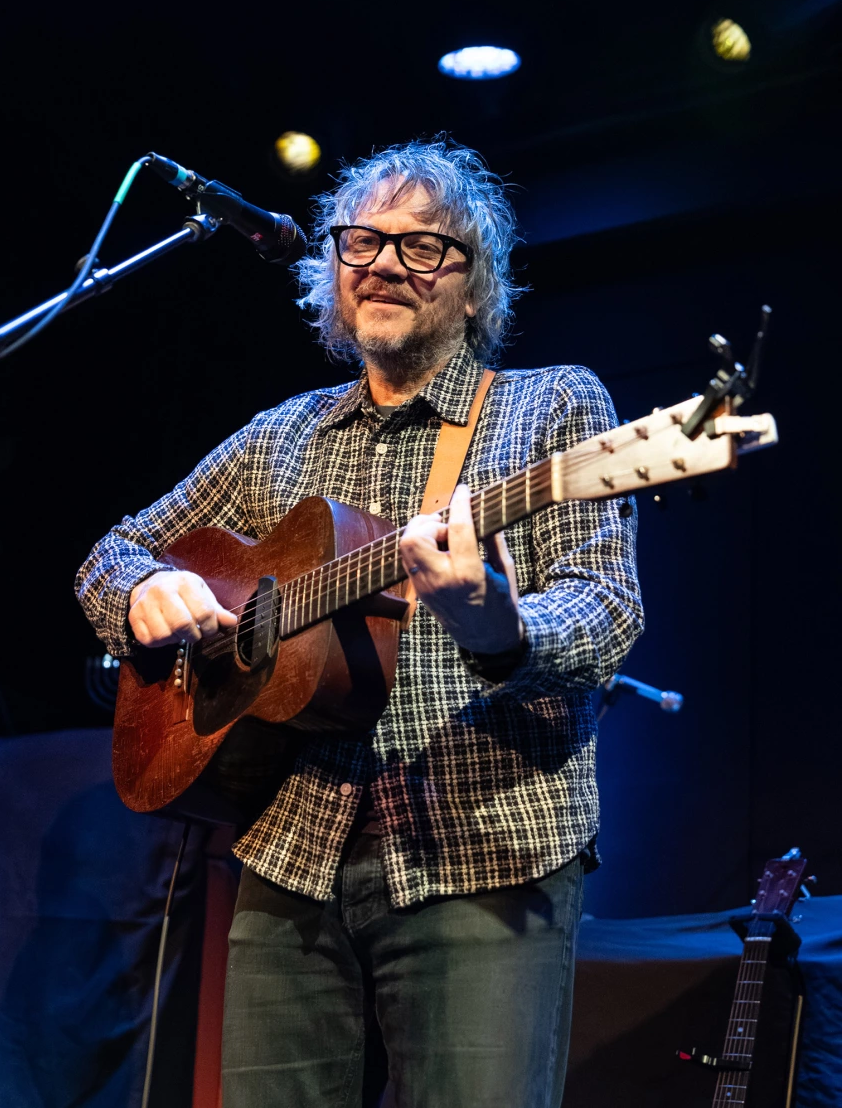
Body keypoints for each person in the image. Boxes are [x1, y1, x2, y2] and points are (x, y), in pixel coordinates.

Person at [76, 138, 643, 1108]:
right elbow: (112, 550)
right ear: (332, 272)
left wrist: (499, 625)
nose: (383, 262)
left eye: (422, 245)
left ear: (475, 287)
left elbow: (605, 606)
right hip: (292, 852)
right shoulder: (280, 435)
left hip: (484, 846)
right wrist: (140, 593)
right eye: (361, 242)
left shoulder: (551, 405)